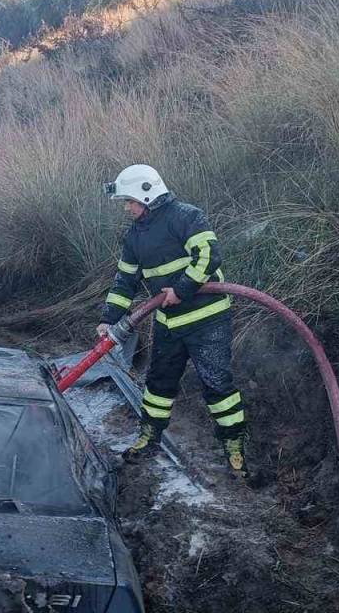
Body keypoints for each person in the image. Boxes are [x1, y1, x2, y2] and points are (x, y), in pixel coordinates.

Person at [96, 165, 249, 479]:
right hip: (168, 322)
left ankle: (234, 446)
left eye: (129, 201)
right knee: (158, 384)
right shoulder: (135, 236)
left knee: (217, 384)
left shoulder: (186, 217)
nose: (127, 208)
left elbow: (208, 255)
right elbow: (125, 281)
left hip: (208, 319)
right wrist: (109, 319)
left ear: (147, 195)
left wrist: (180, 290)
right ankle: (149, 438)